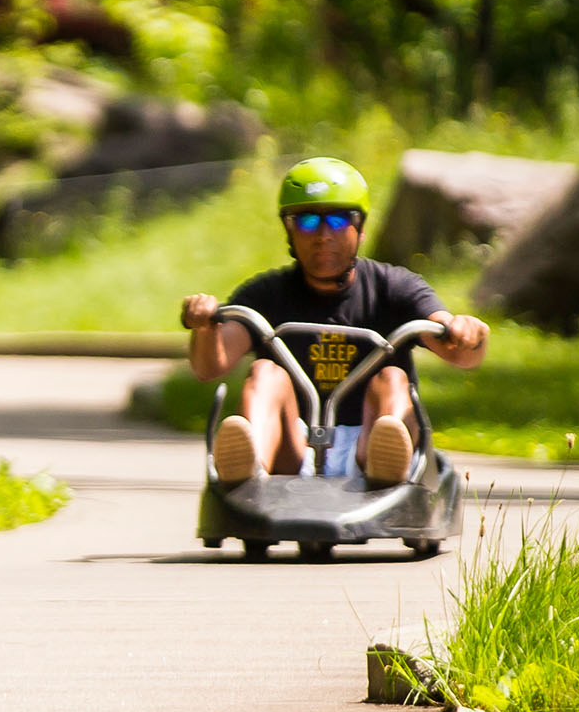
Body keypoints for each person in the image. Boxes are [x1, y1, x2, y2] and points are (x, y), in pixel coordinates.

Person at [177, 157, 490, 487]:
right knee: (265, 373)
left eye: (339, 221)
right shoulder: (265, 294)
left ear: (361, 227)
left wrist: (469, 333)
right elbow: (210, 367)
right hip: (291, 446)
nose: (323, 236)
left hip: (370, 440)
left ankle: (387, 468)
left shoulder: (395, 288)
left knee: (393, 378)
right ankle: (249, 467)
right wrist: (204, 327)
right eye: (308, 222)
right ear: (289, 229)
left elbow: (460, 352)